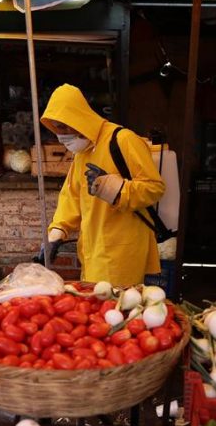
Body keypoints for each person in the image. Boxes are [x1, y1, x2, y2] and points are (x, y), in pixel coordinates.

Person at [37, 84, 165, 287]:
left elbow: (155, 188)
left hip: (122, 253)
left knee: (117, 312)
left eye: (63, 126)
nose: (60, 135)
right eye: (55, 128)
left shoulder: (123, 140)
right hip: (93, 251)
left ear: (77, 118)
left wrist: (115, 189)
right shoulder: (82, 152)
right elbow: (71, 197)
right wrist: (56, 233)